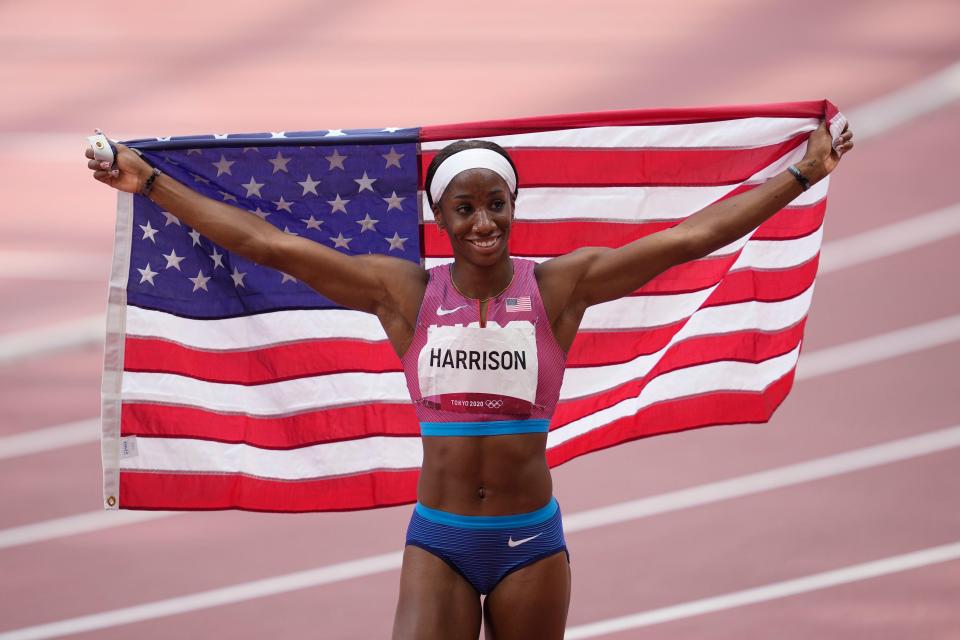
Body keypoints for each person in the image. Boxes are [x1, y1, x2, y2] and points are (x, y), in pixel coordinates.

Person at [86, 121, 853, 639]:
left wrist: (800, 173)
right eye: (465, 208)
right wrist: (149, 183)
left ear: (514, 207)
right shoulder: (405, 294)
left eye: (496, 205)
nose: (483, 222)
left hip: (529, 542)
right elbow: (268, 245)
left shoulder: (558, 287)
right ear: (441, 217)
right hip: (441, 539)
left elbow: (691, 239)